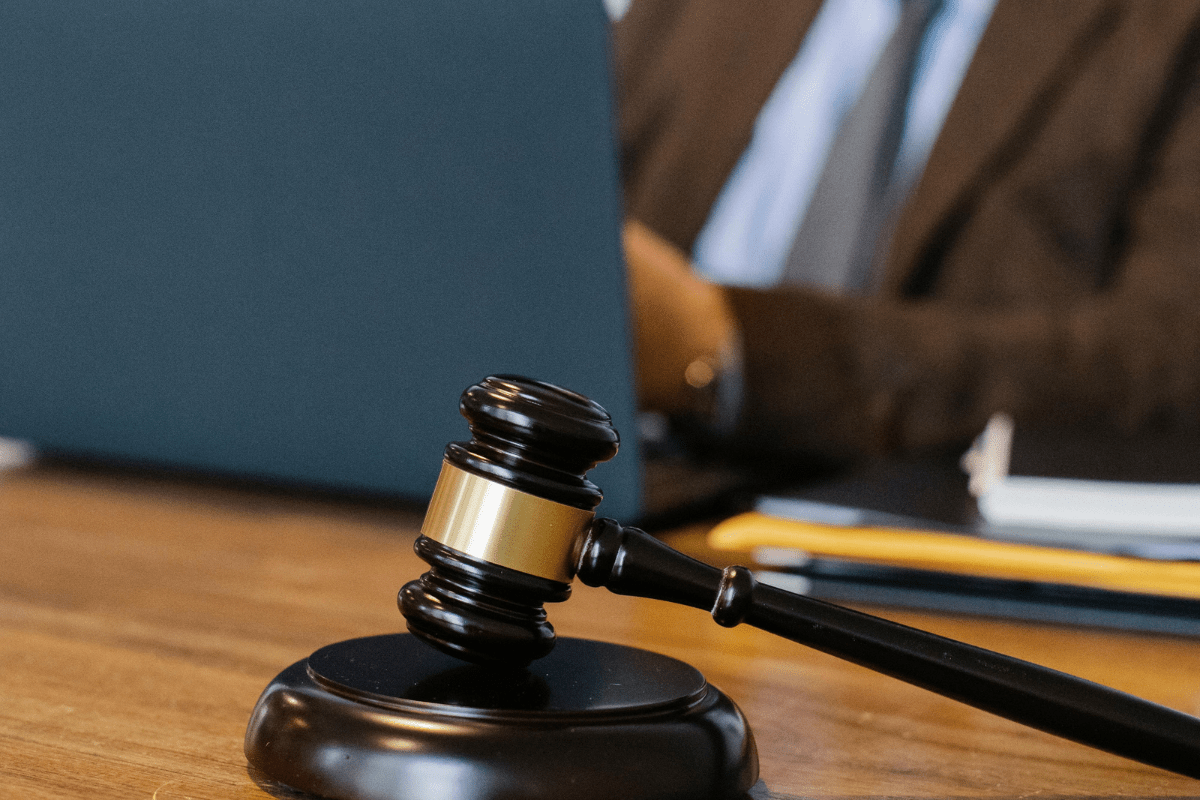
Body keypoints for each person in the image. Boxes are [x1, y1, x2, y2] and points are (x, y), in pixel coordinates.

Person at [614, 0, 1200, 465]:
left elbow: (1164, 362)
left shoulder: (1167, 29)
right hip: (626, 492)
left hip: (924, 555)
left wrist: (728, 348)